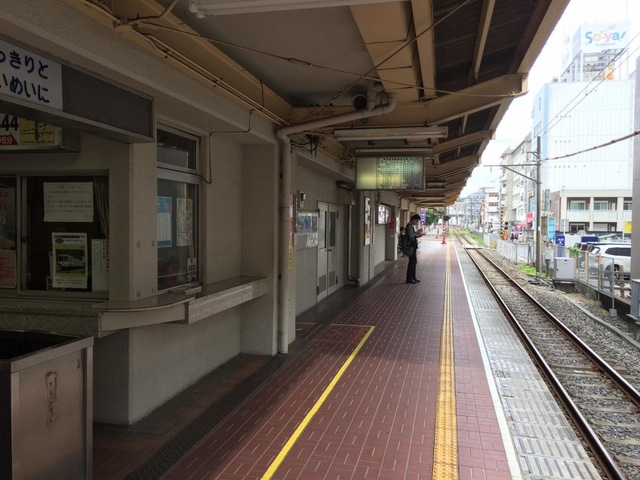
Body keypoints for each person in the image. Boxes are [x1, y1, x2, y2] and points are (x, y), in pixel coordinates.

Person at [405, 214, 424, 284]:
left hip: (412, 246)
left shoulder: (410, 226)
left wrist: (418, 235)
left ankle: (413, 277)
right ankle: (409, 278)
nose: (417, 223)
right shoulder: (409, 226)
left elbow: (412, 236)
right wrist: (417, 232)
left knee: (414, 262)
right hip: (411, 247)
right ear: (413, 219)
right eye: (416, 221)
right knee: (412, 262)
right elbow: (411, 236)